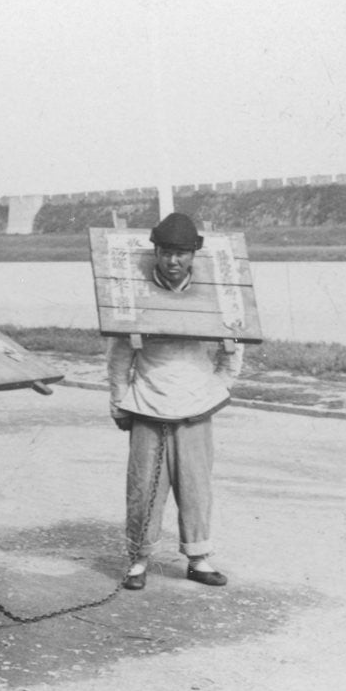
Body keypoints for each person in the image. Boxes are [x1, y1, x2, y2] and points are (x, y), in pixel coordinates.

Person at [105, 212, 243, 591]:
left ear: (193, 255)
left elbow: (233, 346)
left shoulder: (213, 293)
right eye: (166, 253)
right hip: (148, 403)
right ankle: (138, 559)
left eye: (181, 254)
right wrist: (118, 399)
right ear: (157, 253)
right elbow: (119, 356)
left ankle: (198, 558)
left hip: (197, 404)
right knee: (144, 487)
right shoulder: (135, 293)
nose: (173, 261)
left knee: (196, 485)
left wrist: (218, 387)